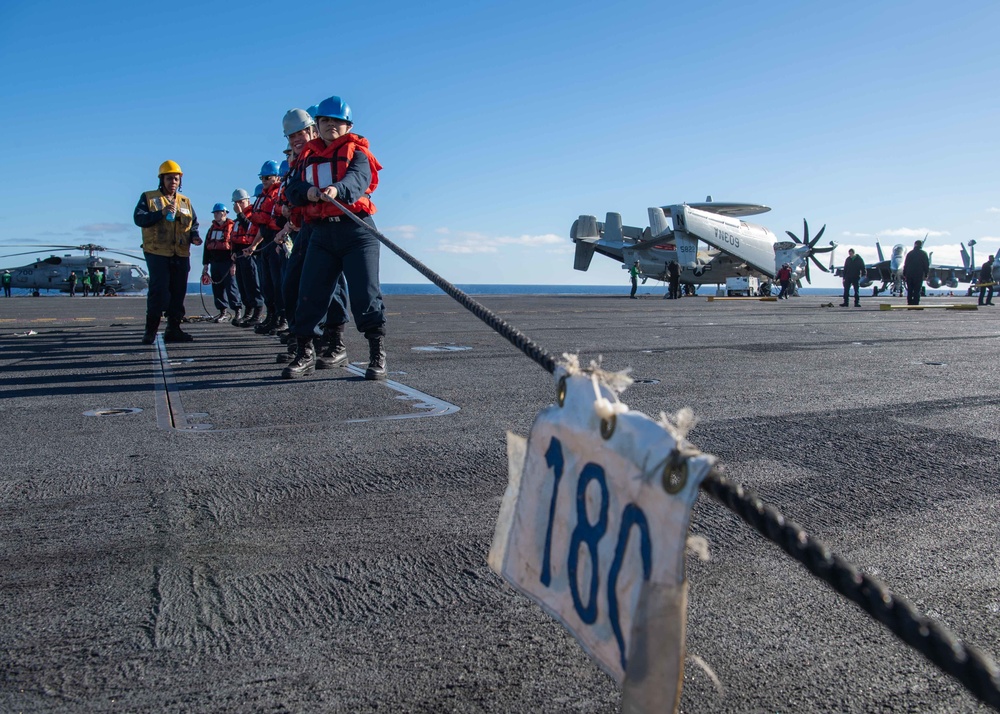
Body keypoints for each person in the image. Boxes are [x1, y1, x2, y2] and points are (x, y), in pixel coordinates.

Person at [283, 94, 386, 380]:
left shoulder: (359, 153)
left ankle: (377, 355)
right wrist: (308, 193)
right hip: (322, 233)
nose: (331, 125)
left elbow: (358, 179)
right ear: (318, 124)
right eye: (326, 120)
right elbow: (291, 188)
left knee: (365, 295)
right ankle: (305, 353)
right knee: (310, 293)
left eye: (337, 121)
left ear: (348, 126)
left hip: (357, 230)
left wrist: (336, 190)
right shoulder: (306, 157)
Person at [133, 160, 202, 344]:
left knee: (178, 292)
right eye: (169, 178)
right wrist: (161, 213)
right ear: (162, 179)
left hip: (180, 253)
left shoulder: (185, 202)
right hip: (157, 252)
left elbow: (193, 223)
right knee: (159, 291)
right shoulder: (148, 197)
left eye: (176, 179)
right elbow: (139, 219)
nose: (173, 182)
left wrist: (194, 236)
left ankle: (174, 329)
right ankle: (150, 331)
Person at [201, 203, 240, 322]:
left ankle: (237, 311)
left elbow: (236, 245)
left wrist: (234, 264)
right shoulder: (211, 229)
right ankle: (222, 311)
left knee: (231, 287)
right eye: (215, 213)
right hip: (215, 262)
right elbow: (206, 247)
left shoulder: (232, 227)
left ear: (224, 213)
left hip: (227, 262)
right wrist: (205, 264)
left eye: (218, 212)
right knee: (217, 287)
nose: (216, 215)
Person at [229, 188, 258, 326]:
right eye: (236, 202)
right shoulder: (236, 221)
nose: (238, 205)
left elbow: (251, 229)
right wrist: (233, 252)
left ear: (248, 201)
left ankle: (257, 314)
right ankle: (248, 312)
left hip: (250, 253)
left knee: (253, 283)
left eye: (241, 202)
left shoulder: (252, 215)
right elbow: (233, 237)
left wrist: (240, 214)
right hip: (240, 254)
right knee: (243, 285)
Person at [902, 240, 930, 306]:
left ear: (915, 244)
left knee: (910, 290)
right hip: (918, 275)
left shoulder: (909, 253)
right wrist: (926, 274)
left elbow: (905, 264)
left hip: (909, 275)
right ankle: (915, 304)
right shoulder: (923, 254)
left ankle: (909, 304)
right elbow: (926, 265)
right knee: (917, 290)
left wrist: (904, 274)